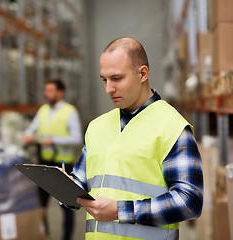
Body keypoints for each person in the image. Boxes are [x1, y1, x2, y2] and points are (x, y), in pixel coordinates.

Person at [70, 38, 203, 240]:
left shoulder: (172, 127)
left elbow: (189, 201)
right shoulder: (96, 126)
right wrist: (64, 187)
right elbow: (80, 181)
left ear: (142, 74)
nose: (108, 89)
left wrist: (119, 211)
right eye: (104, 80)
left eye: (116, 78)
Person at [23, 79, 82, 240]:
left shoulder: (69, 112)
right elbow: (31, 129)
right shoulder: (43, 110)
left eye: (50, 90)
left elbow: (77, 138)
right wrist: (28, 136)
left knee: (67, 205)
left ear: (59, 93)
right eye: (45, 90)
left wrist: (53, 140)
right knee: (40, 204)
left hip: (62, 166)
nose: (46, 94)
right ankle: (45, 235)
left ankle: (66, 237)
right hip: (44, 164)